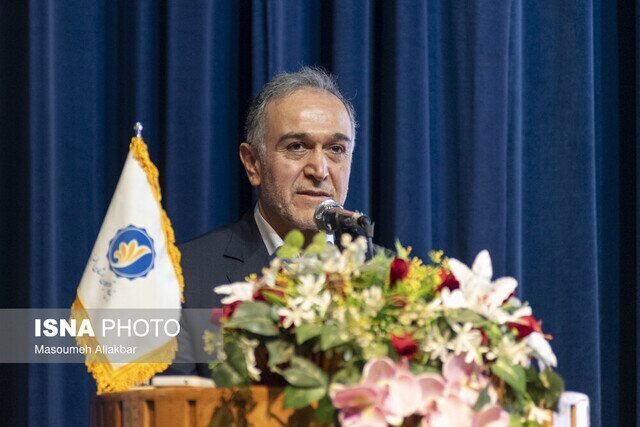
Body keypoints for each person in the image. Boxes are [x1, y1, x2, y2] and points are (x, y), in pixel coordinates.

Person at [167, 67, 357, 376]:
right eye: (297, 147)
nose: (320, 170)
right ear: (253, 163)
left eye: (336, 149)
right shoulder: (182, 277)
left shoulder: (388, 280)